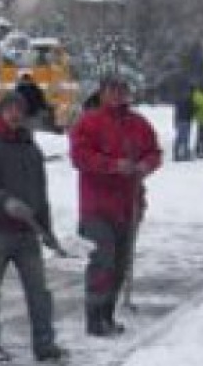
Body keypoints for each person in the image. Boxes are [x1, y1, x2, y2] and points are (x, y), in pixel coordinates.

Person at [0, 93, 68, 363]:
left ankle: (44, 344)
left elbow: (39, 191)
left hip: (28, 232)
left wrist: (46, 229)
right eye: (9, 109)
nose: (15, 115)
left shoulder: (30, 147)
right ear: (1, 112)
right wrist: (5, 202)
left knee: (39, 291)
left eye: (19, 110)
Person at [69, 77, 162, 336]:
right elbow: (80, 156)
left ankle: (107, 313)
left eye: (123, 92)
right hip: (97, 206)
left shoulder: (138, 124)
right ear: (102, 94)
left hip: (128, 204)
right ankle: (94, 317)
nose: (118, 96)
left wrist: (145, 165)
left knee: (121, 262)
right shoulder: (89, 122)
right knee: (103, 260)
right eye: (113, 92)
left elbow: (154, 152)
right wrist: (113, 165)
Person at [172, 87, 194, 162]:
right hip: (183, 121)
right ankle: (178, 154)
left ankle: (183, 153)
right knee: (181, 137)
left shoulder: (187, 101)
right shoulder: (186, 101)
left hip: (185, 120)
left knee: (185, 138)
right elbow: (177, 113)